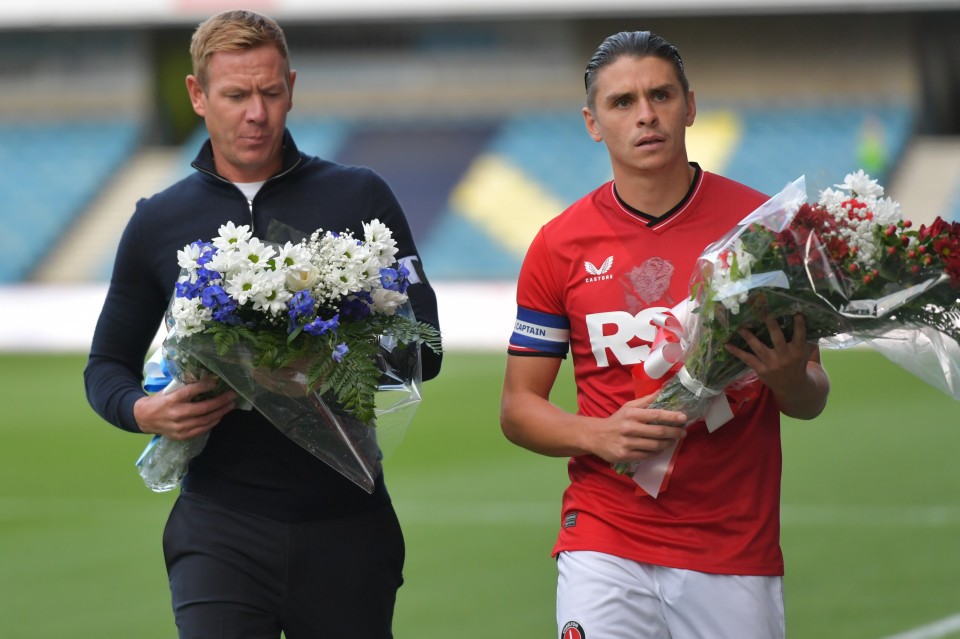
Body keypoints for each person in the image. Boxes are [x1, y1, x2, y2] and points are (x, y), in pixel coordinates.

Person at [84, 10, 442, 639]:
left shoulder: (360, 197)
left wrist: (319, 361)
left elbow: (425, 346)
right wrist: (145, 412)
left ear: (292, 87)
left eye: (271, 92)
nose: (257, 113)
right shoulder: (156, 221)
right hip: (219, 527)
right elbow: (105, 366)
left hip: (348, 524)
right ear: (198, 96)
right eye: (236, 95)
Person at [500, 31, 829, 639]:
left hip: (732, 544)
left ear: (691, 105)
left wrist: (788, 379)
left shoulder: (764, 231)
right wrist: (599, 434)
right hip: (603, 535)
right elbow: (519, 409)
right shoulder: (557, 245)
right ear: (593, 122)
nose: (645, 115)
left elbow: (811, 396)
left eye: (660, 95)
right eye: (622, 102)